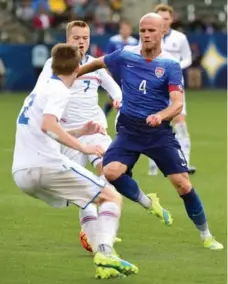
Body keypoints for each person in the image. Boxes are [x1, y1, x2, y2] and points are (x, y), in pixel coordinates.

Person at [77, 13, 223, 250]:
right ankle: (148, 202)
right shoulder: (126, 54)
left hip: (158, 133)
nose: (145, 35)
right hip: (129, 130)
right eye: (142, 30)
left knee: (183, 185)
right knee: (111, 172)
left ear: (162, 32)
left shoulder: (170, 65)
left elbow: (177, 103)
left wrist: (161, 116)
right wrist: (73, 74)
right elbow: (97, 63)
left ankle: (206, 234)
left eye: (151, 31)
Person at [35, 20, 172, 254]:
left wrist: (120, 100)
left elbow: (114, 88)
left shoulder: (95, 66)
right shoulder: (54, 64)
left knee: (111, 174)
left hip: (95, 129)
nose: (81, 42)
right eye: (76, 38)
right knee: (82, 190)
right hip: (69, 136)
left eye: (85, 38)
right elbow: (39, 93)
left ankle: (145, 203)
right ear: (67, 39)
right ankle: (96, 235)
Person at [12, 43, 138, 279]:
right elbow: (48, 125)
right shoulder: (60, 90)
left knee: (88, 200)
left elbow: (43, 127)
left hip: (22, 173)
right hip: (46, 166)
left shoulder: (38, 91)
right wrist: (85, 145)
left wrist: (80, 131)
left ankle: (103, 262)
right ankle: (105, 252)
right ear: (80, 67)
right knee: (111, 196)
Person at [148, 4, 196, 176]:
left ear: (171, 20)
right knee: (154, 123)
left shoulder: (180, 38)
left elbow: (188, 58)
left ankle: (185, 163)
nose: (163, 22)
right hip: (154, 86)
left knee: (180, 124)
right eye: (160, 19)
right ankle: (153, 165)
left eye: (166, 19)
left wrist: (175, 68)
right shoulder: (149, 36)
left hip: (175, 87)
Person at [104, 20, 138, 116]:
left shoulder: (134, 42)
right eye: (123, 28)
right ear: (120, 30)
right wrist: (107, 72)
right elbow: (106, 57)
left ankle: (125, 119)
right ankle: (103, 117)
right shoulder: (113, 40)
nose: (125, 31)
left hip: (128, 75)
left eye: (127, 29)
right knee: (113, 98)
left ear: (130, 30)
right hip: (115, 74)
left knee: (128, 98)